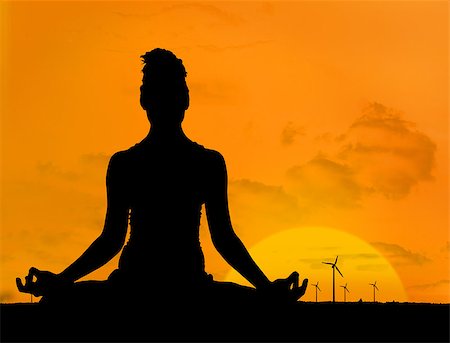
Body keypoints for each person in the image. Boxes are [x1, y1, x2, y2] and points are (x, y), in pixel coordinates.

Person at [16, 48, 307, 312]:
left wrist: (61, 281)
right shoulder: (154, 163)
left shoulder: (146, 163)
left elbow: (112, 240)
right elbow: (113, 239)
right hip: (155, 286)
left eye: (168, 92)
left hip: (168, 286)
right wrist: (61, 281)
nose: (165, 102)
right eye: (159, 93)